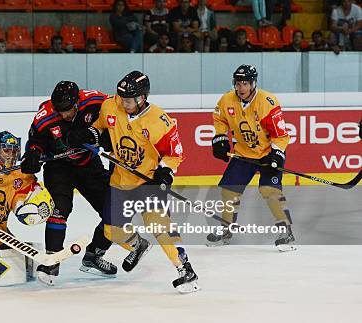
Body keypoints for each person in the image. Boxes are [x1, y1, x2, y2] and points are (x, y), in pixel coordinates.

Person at [67, 70, 199, 293]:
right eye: (122, 97)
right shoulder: (111, 105)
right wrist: (88, 134)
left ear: (142, 98)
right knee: (111, 230)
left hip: (148, 182)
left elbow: (175, 154)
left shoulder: (160, 121)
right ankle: (138, 245)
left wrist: (164, 173)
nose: (124, 102)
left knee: (159, 226)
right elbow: (99, 127)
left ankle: (185, 269)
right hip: (120, 180)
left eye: (129, 99)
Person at [21, 81, 150, 285]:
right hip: (59, 167)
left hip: (89, 164)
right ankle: (51, 261)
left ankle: (93, 256)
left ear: (78, 102)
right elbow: (35, 141)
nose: (64, 116)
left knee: (112, 210)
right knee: (58, 210)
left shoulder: (96, 100)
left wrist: (106, 138)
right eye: (60, 111)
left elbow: (118, 114)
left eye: (68, 110)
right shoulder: (45, 115)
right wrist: (33, 153)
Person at [209, 64, 295, 252]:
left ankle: (285, 230)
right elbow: (220, 119)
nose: (240, 88)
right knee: (229, 191)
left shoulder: (267, 102)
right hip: (243, 153)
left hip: (267, 153)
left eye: (245, 83)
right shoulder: (227, 100)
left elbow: (281, 135)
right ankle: (226, 229)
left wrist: (276, 155)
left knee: (269, 190)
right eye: (238, 83)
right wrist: (221, 138)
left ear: (253, 83)